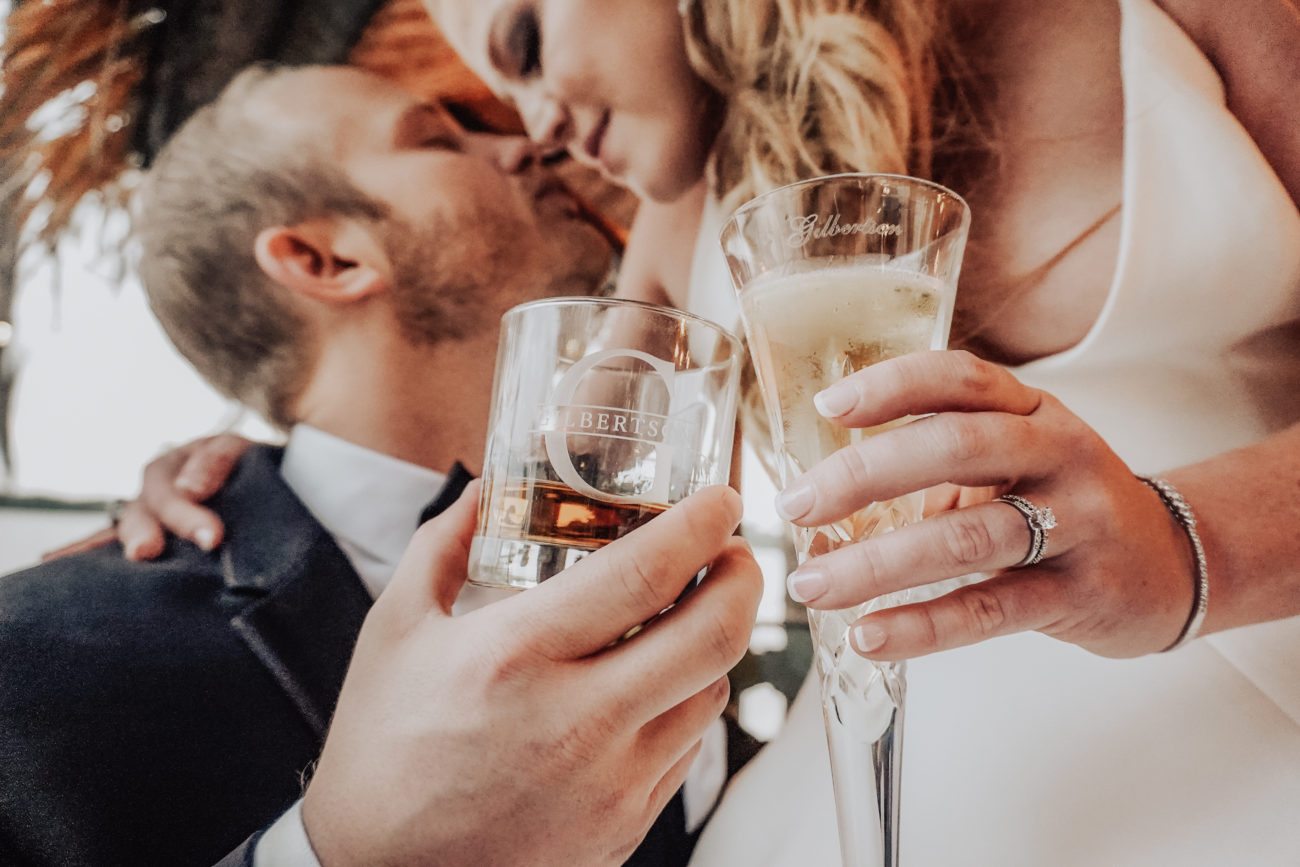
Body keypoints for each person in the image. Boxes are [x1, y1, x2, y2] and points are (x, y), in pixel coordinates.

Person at [119, 0, 1300, 863]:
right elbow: (557, 531)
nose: (533, 121)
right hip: (882, 789)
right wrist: (242, 463)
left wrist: (1189, 547)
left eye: (527, 45)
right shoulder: (681, 218)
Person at [0, 64, 764, 867]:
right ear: (323, 259)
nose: (524, 143)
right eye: (438, 139)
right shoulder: (31, 667)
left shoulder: (646, 564)